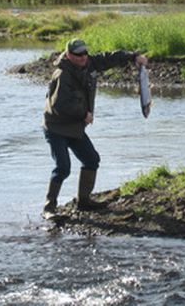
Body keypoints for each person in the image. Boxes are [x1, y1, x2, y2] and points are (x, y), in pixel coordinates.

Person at [42, 38, 148, 218]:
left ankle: (84, 202)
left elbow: (109, 58)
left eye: (85, 53)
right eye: (78, 55)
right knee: (63, 168)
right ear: (69, 55)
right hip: (56, 128)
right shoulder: (62, 75)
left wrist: (133, 57)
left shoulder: (89, 64)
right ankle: (49, 208)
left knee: (91, 160)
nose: (83, 57)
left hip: (75, 128)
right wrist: (83, 115)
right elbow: (59, 105)